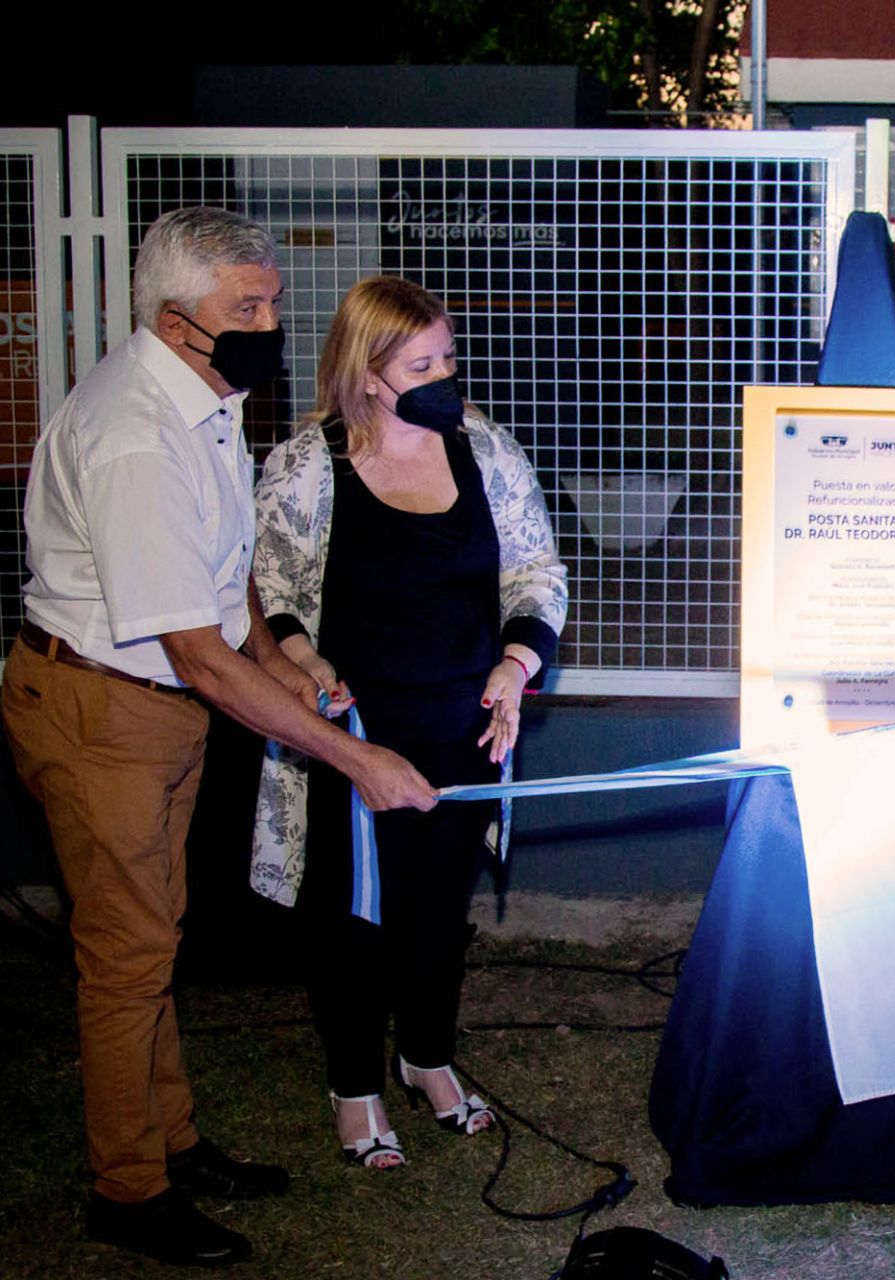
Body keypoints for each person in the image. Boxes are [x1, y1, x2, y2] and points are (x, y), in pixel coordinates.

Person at [1, 209, 437, 1267]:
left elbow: (221, 568)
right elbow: (196, 653)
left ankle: (176, 1143)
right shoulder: (136, 438)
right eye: (247, 308)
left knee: (155, 935)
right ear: (173, 319)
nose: (271, 326)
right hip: (101, 709)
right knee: (125, 957)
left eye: (273, 302)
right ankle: (129, 1189)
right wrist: (359, 760)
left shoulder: (202, 397)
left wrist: (284, 662)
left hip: (149, 709)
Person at [249, 276, 567, 1172]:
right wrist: (303, 661)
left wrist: (515, 665)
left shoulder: (486, 451)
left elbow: (536, 571)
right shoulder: (308, 465)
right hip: (349, 736)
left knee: (436, 909)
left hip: (463, 728)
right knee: (349, 915)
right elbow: (269, 584)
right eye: (420, 366)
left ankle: (426, 1056)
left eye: (448, 359)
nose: (444, 380)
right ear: (367, 373)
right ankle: (354, 1085)